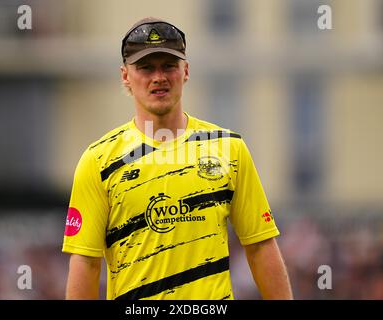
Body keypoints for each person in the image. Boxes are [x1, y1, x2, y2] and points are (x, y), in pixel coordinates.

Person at [62, 17, 293, 300]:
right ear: (125, 76)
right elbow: (85, 261)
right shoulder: (98, 160)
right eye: (145, 68)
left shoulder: (228, 148)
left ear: (185, 71)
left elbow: (260, 246)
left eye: (169, 65)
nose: (159, 77)